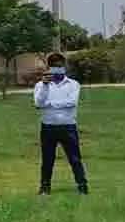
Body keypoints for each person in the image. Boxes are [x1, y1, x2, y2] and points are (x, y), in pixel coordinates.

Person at [33, 53, 88, 196]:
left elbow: (71, 102)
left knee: (75, 158)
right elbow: (38, 103)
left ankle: (82, 186)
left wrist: (50, 104)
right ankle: (45, 187)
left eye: (59, 66)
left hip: (68, 126)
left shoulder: (73, 84)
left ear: (64, 66)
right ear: (49, 67)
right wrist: (45, 86)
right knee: (47, 159)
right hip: (48, 126)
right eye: (53, 66)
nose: (57, 69)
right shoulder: (40, 85)